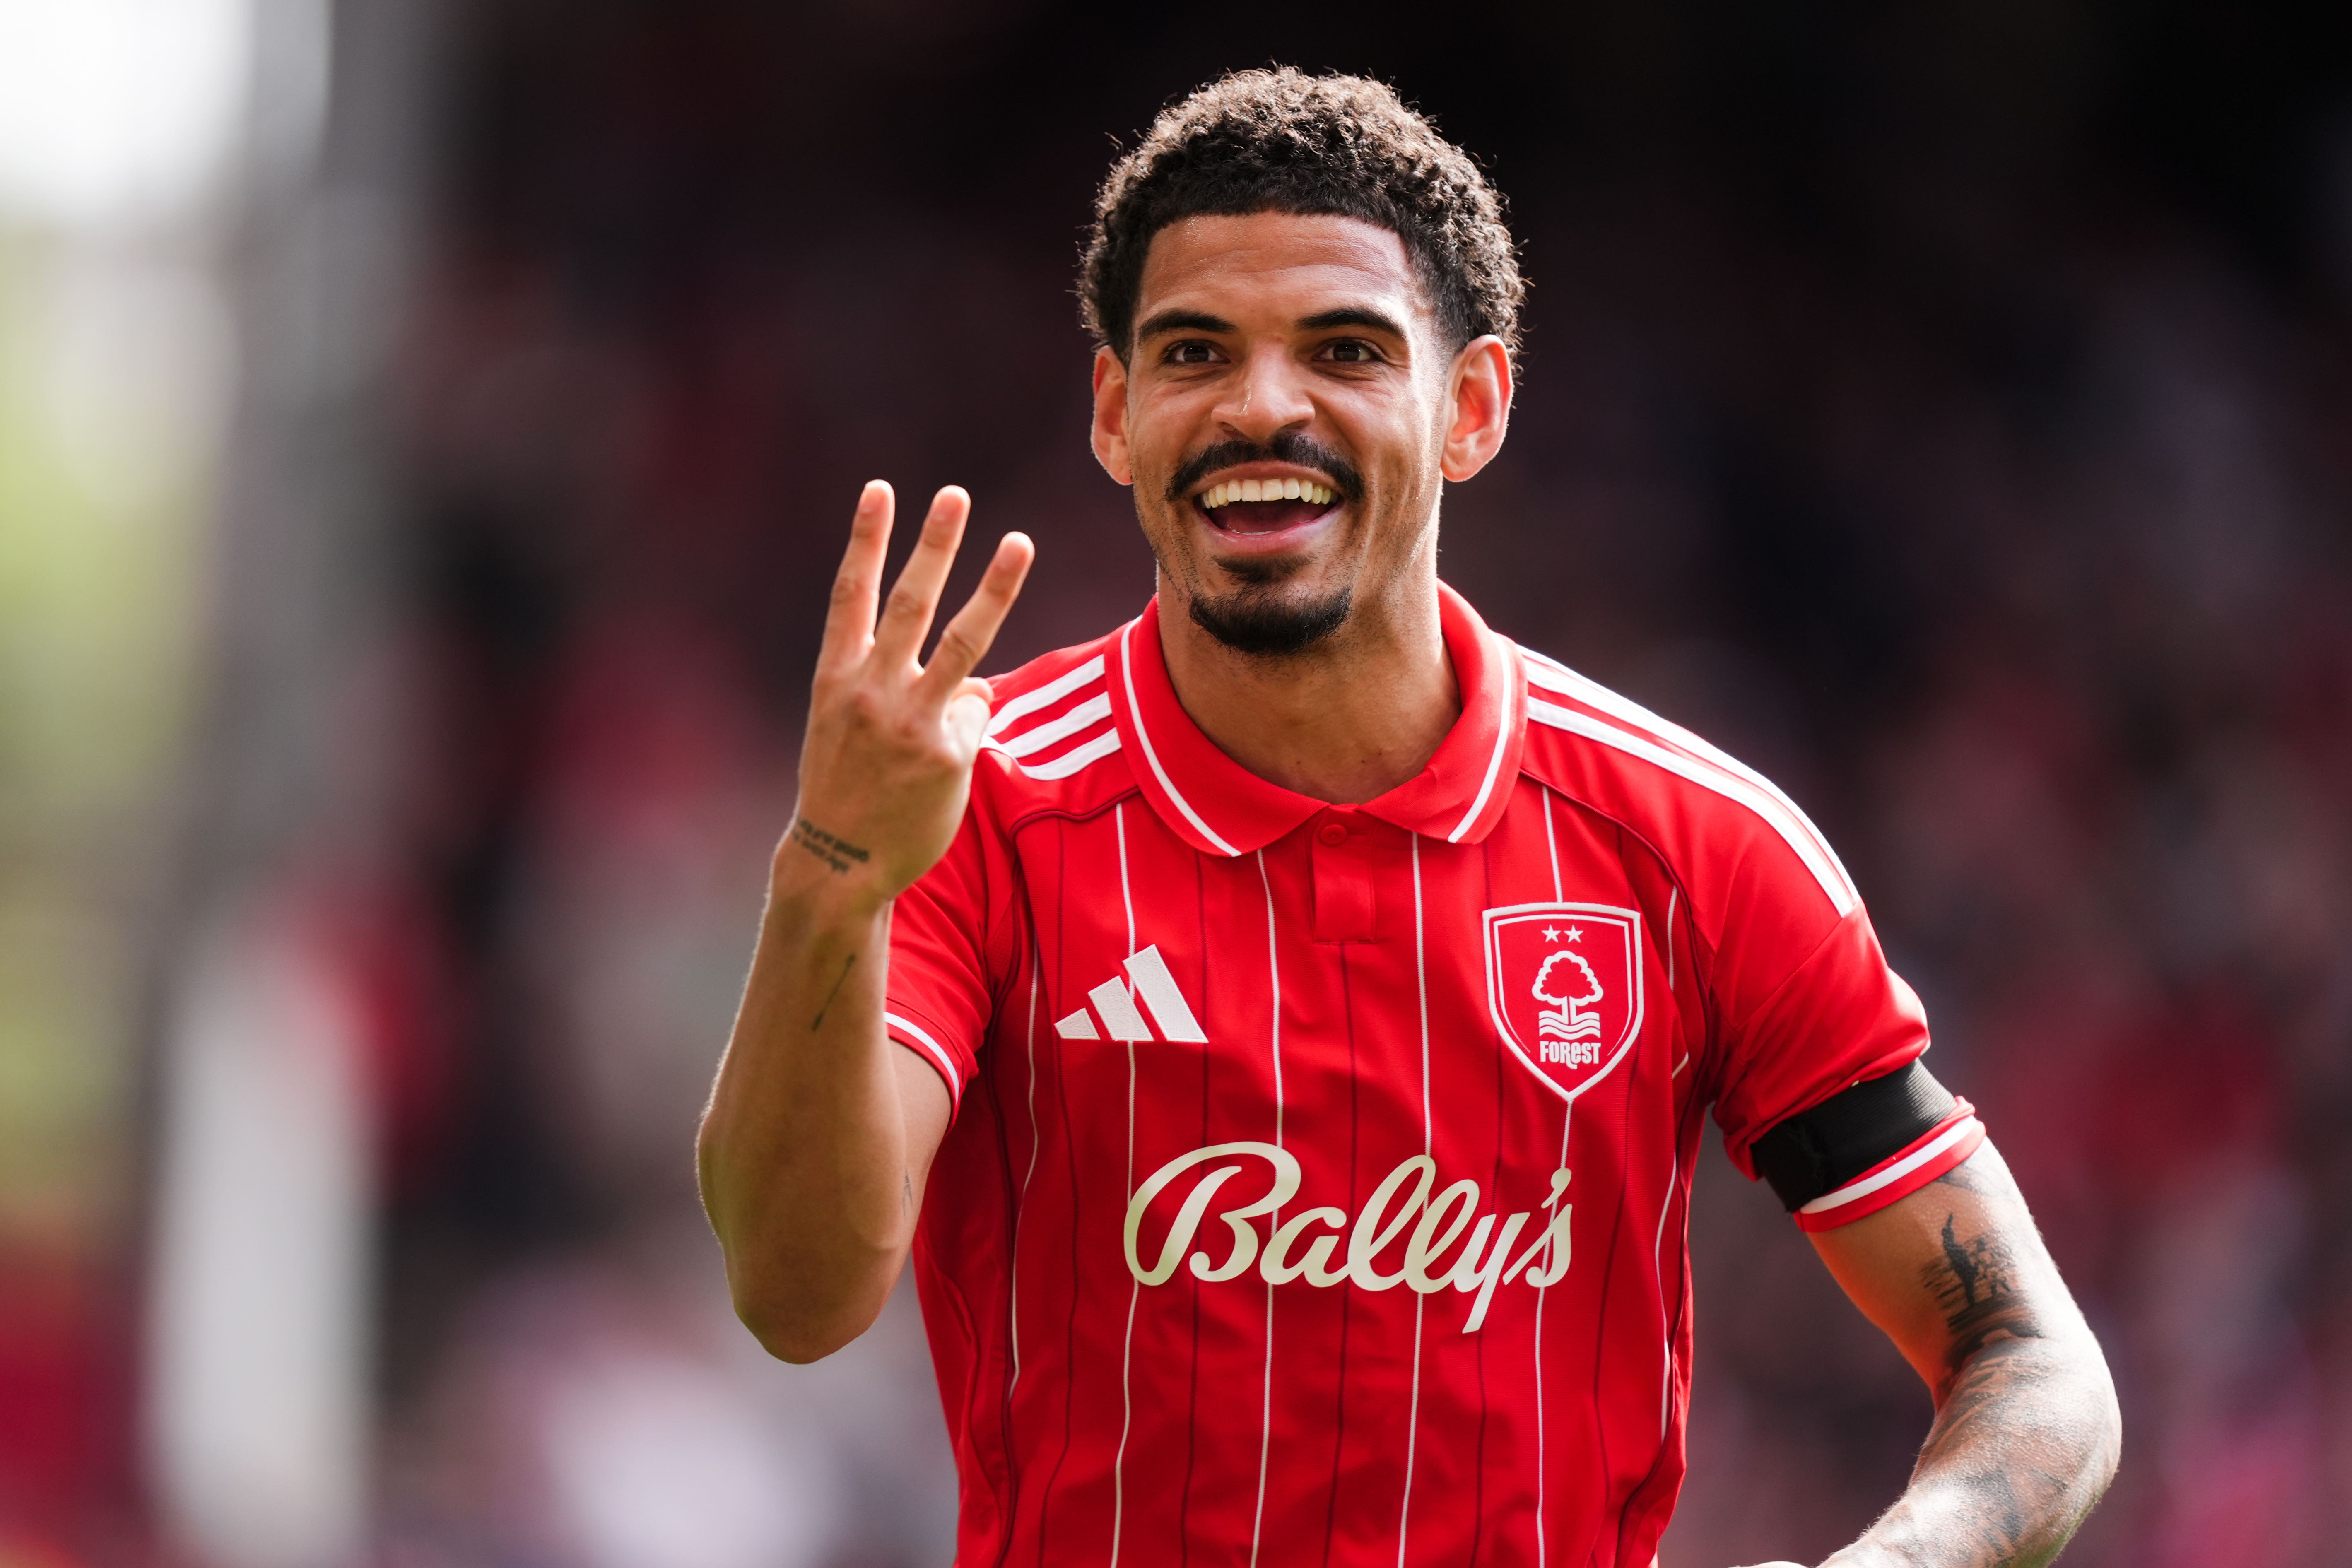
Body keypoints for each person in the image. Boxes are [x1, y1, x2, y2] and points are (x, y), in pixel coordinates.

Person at [697, 68, 2120, 1568]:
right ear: (1116, 414)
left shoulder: (1696, 846)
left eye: (1346, 349)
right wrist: (833, 871)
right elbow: (795, 1297)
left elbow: (2036, 1364)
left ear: (1474, 407)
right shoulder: (976, 805)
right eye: (1195, 352)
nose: (1262, 404)